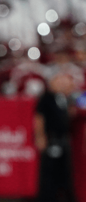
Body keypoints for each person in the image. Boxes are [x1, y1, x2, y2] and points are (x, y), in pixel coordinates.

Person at [34, 73, 78, 202]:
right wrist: (40, 136)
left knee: (63, 170)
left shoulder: (64, 99)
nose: (63, 85)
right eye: (60, 82)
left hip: (63, 139)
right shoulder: (46, 98)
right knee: (49, 171)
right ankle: (47, 197)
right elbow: (39, 118)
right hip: (51, 139)